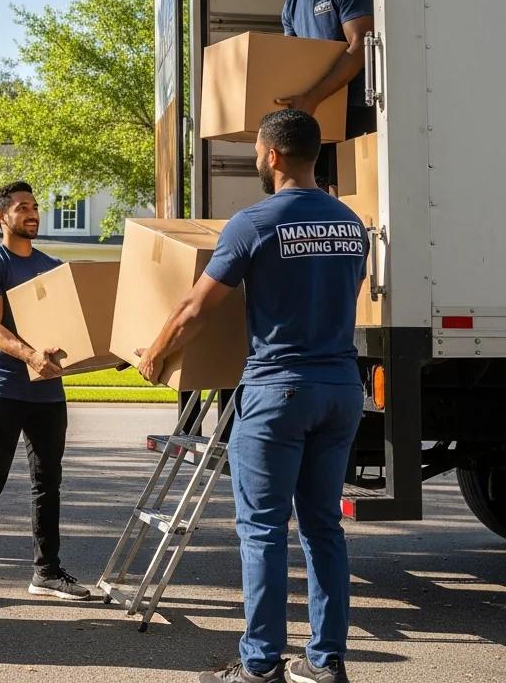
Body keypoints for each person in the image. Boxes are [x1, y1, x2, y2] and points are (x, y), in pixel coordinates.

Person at [136, 110, 366, 683]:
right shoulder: (350, 223)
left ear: (272, 156)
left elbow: (195, 308)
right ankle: (324, 662)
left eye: (258, 152)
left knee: (263, 530)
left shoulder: (255, 223)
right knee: (323, 528)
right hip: (340, 388)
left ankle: (260, 664)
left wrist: (152, 353)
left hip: (277, 392)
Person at [0, 181, 91, 610]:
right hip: (3, 388)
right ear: (1, 216)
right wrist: (30, 355)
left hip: (48, 393)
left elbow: (74, 326)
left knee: (47, 483)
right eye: (22, 207)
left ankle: (46, 572)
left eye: (35, 207)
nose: (33, 213)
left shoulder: (51, 266)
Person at [261, 0, 376, 189]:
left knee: (354, 196)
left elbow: (360, 47)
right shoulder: (291, 5)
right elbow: (294, 63)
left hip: (355, 110)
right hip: (316, 117)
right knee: (322, 193)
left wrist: (313, 97)